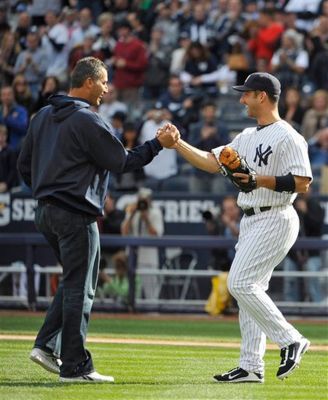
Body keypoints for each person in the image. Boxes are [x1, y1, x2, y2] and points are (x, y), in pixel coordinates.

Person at [17, 56, 179, 384]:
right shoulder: (88, 120)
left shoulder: (42, 116)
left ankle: (47, 345)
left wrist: (48, 190)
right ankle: (74, 364)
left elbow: (23, 165)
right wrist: (157, 145)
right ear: (89, 82)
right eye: (104, 82)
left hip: (44, 212)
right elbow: (121, 161)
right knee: (81, 285)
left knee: (75, 280)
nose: (107, 89)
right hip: (76, 214)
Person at [159, 72, 312, 383]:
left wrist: (259, 180)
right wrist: (178, 144)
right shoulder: (245, 137)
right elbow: (211, 161)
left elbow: (302, 182)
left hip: (276, 215)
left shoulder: (289, 136)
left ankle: (290, 339)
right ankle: (251, 365)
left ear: (263, 96)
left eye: (247, 93)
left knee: (239, 283)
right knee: (250, 289)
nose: (241, 99)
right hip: (251, 218)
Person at [121, 187, 164, 301]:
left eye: (145, 199)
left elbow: (157, 235)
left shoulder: (155, 213)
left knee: (151, 296)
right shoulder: (132, 211)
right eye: (140, 199)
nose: (142, 202)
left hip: (148, 259)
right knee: (133, 294)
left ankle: (153, 315)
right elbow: (124, 233)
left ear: (150, 200)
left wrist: (146, 219)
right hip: (132, 258)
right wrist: (131, 215)